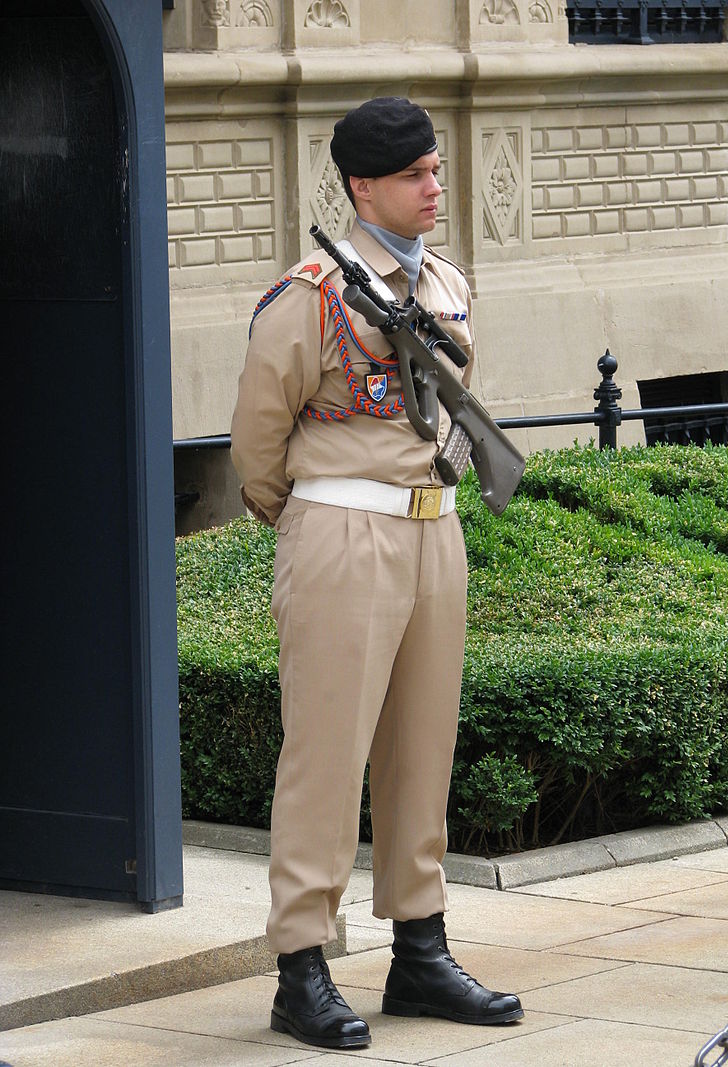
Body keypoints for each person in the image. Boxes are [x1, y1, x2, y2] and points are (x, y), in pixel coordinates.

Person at [230, 96, 523, 1051]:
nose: (437, 187)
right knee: (325, 755)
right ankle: (302, 965)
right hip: (344, 532)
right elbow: (257, 449)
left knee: (421, 751)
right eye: (416, 175)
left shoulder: (443, 282)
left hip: (436, 533)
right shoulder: (310, 294)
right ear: (363, 186)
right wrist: (319, 519)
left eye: (438, 169)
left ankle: (420, 950)